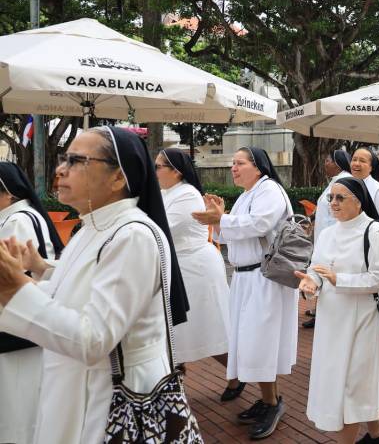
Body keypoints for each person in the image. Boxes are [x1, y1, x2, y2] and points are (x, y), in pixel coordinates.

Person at [0, 126, 191, 444]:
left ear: (118, 178)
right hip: (77, 387)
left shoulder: (132, 235)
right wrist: (38, 271)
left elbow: (94, 340)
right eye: (64, 158)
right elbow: (76, 294)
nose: (60, 169)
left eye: (76, 160)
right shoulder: (94, 226)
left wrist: (15, 290)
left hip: (109, 400)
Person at [192, 146, 296, 440]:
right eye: (232, 164)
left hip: (264, 278)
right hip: (245, 278)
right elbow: (229, 234)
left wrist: (220, 219)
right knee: (253, 341)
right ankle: (267, 400)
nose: (233, 169)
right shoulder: (247, 195)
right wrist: (218, 219)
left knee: (259, 342)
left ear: (258, 166)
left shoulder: (270, 191)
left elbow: (258, 224)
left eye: (239, 163)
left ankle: (272, 404)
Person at [297, 177, 379, 444]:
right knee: (350, 385)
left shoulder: (375, 232)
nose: (334, 203)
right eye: (331, 198)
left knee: (350, 389)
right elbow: (317, 269)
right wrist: (309, 283)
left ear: (359, 201)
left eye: (341, 198)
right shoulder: (328, 233)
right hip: (331, 320)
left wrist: (341, 280)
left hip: (363, 320)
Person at [0, 162, 64, 444]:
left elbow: (14, 269)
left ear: (7, 193)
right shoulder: (16, 215)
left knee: (19, 401)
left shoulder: (16, 219)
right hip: (22, 312)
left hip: (18, 317)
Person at [155, 149, 230, 370]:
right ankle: (174, 380)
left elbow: (162, 227)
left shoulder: (187, 194)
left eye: (158, 166)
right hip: (179, 268)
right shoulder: (165, 192)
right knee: (178, 331)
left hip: (196, 268)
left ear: (176, 171)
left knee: (208, 329)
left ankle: (240, 374)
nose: (154, 170)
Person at [349, 148, 379, 357]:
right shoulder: (347, 187)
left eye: (362, 161)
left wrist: (370, 238)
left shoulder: (377, 190)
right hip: (353, 253)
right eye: (354, 159)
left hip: (374, 253)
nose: (356, 164)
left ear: (372, 167)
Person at [303, 150, 352, 330]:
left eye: (327, 161)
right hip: (325, 237)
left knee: (327, 273)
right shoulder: (334, 181)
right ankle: (318, 312)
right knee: (321, 273)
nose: (324, 164)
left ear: (337, 163)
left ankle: (322, 314)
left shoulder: (342, 181)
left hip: (334, 240)